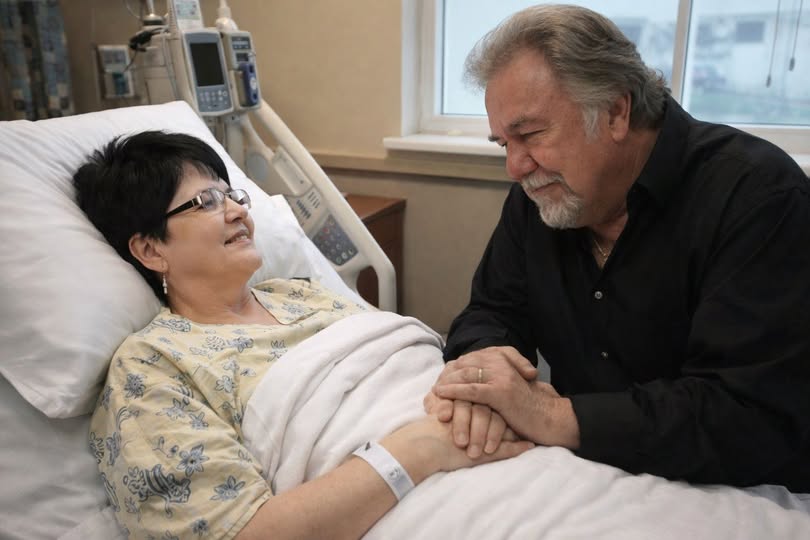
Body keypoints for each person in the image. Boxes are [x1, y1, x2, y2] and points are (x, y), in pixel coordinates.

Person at [74, 131, 534, 539]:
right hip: (431, 502)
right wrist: (422, 448)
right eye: (207, 201)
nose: (237, 210)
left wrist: (477, 397)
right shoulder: (153, 364)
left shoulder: (302, 294)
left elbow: (408, 369)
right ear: (150, 249)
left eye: (232, 195)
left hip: (504, 451)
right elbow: (237, 532)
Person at [427, 4, 810, 492]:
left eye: (530, 134)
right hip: (588, 475)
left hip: (736, 491)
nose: (515, 168)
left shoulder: (758, 200)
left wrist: (551, 415)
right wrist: (485, 373)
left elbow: (747, 414)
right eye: (505, 144)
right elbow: (491, 309)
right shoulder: (540, 197)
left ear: (615, 112)